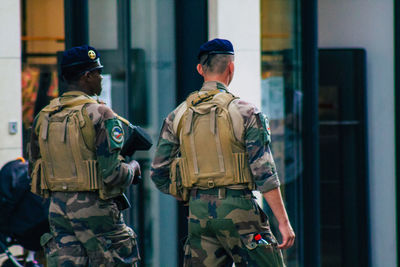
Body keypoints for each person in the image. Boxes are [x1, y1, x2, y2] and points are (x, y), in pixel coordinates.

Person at [150, 38, 295, 266]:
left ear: (200, 69)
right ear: (231, 67)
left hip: (198, 214)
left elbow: (158, 173)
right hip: (240, 213)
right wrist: (283, 223)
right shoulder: (246, 112)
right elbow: (264, 173)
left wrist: (187, 193)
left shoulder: (177, 115)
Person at [28, 45, 141, 267]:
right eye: (98, 72)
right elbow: (113, 174)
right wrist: (133, 168)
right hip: (96, 209)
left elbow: (33, 172)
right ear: (87, 76)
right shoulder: (100, 113)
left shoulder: (45, 116)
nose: (100, 77)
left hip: (58, 209)